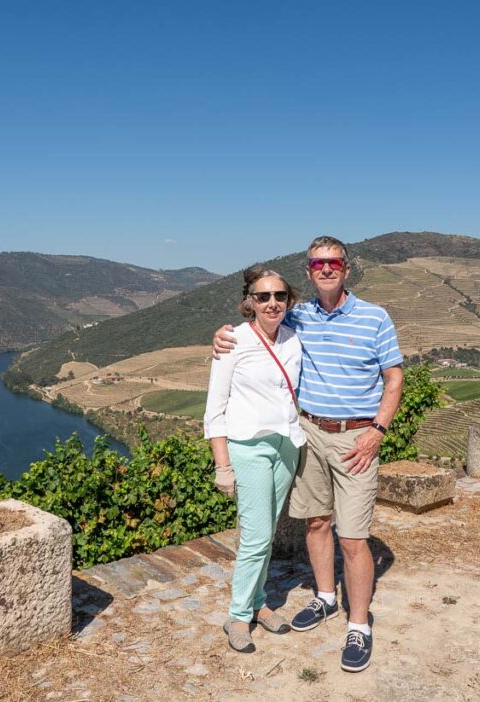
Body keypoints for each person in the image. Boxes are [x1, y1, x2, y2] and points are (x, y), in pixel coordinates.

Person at [213, 236, 404, 672]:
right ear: (309, 269)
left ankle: (359, 625)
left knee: (354, 538)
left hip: (356, 438)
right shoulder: (299, 316)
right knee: (316, 522)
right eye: (318, 263)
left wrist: (377, 431)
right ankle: (324, 599)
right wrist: (221, 335)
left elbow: (394, 379)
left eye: (333, 262)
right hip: (308, 432)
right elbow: (258, 326)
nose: (326, 269)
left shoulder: (374, 318)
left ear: (347, 268)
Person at [203, 265, 305, 654]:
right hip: (249, 447)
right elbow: (215, 409)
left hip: (287, 445)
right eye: (263, 296)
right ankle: (238, 615)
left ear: (288, 301)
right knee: (257, 536)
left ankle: (259, 603)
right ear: (250, 302)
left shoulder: (295, 339)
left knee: (268, 533)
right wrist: (222, 466)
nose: (272, 302)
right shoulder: (232, 341)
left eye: (279, 296)